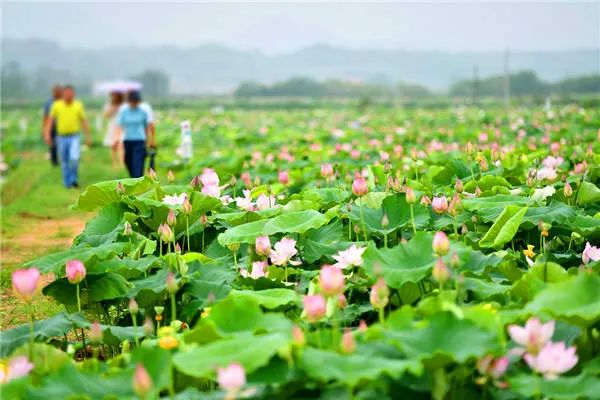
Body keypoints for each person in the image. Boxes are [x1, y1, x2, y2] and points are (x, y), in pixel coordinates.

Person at [44, 85, 92, 188]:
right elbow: (50, 121)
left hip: (74, 136)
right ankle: (67, 183)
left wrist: (88, 135)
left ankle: (73, 179)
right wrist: (47, 134)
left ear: (73, 94)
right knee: (64, 161)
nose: (68, 96)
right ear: (63, 95)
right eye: (66, 94)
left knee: (74, 158)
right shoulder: (56, 105)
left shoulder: (78, 105)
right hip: (61, 137)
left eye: (70, 94)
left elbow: (83, 121)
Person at [115, 91, 155, 178]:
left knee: (138, 163)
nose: (134, 103)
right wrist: (118, 139)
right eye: (132, 101)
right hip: (127, 140)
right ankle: (134, 179)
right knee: (127, 161)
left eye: (136, 101)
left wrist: (148, 141)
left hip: (139, 141)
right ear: (129, 101)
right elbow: (119, 126)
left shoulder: (143, 112)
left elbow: (146, 127)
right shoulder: (124, 112)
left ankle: (137, 179)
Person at [103, 91, 124, 167]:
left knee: (120, 145)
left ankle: (122, 164)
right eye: (113, 95)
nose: (114, 97)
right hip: (112, 126)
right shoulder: (109, 105)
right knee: (113, 145)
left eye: (116, 95)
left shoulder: (123, 105)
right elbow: (106, 115)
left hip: (122, 127)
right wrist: (113, 108)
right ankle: (114, 163)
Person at [42, 85, 62, 166]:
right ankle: (54, 162)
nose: (56, 93)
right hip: (52, 126)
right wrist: (44, 129)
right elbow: (45, 116)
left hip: (62, 126)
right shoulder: (49, 103)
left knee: (61, 144)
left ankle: (63, 159)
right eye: (55, 92)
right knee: (52, 145)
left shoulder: (64, 101)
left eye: (58, 91)